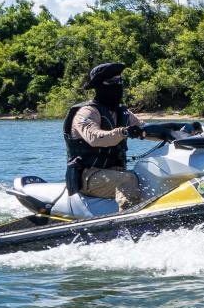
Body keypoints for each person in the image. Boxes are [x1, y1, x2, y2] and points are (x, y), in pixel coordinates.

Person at [62, 62, 146, 210]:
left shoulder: (121, 112)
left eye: (120, 81)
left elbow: (144, 129)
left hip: (114, 172)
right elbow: (94, 137)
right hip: (88, 176)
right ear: (99, 86)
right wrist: (123, 132)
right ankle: (129, 224)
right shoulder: (86, 113)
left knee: (149, 174)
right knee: (128, 180)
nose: (118, 85)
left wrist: (182, 130)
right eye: (112, 82)